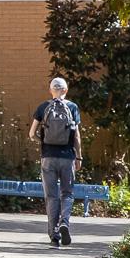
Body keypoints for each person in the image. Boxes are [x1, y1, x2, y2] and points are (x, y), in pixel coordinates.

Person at [29, 76, 83, 247]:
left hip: (48, 158)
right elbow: (77, 136)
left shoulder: (43, 107)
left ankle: (54, 235)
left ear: (50, 90)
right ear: (65, 90)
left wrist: (43, 142)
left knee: (51, 197)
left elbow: (31, 134)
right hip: (67, 158)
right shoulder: (72, 107)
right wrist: (79, 156)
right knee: (67, 193)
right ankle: (64, 223)